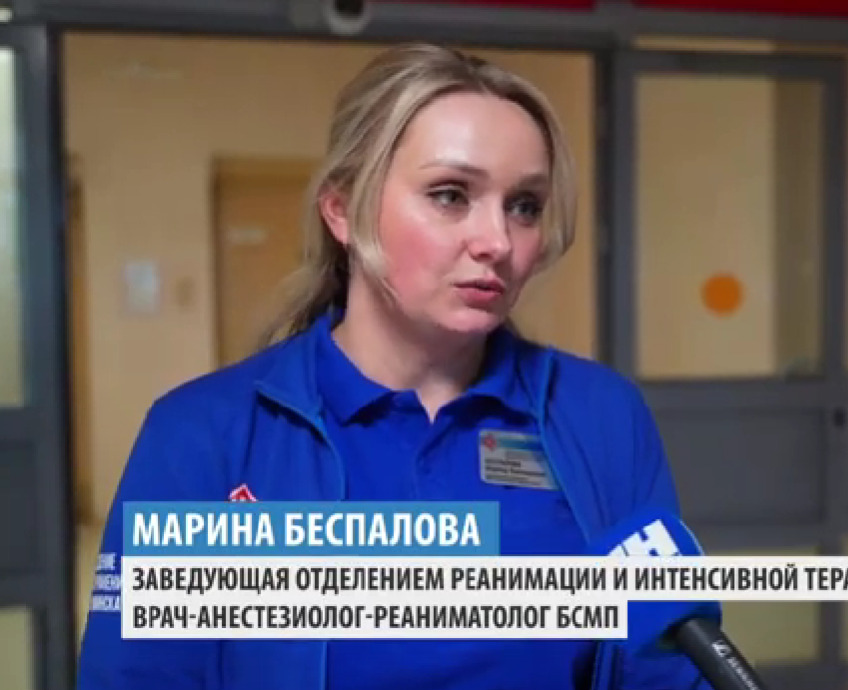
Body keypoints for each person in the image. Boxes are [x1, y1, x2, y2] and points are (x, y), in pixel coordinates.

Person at [77, 43, 713, 690]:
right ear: (342, 210)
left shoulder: (601, 417)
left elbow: (664, 671)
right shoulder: (201, 436)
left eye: (524, 205)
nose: (497, 241)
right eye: (450, 195)